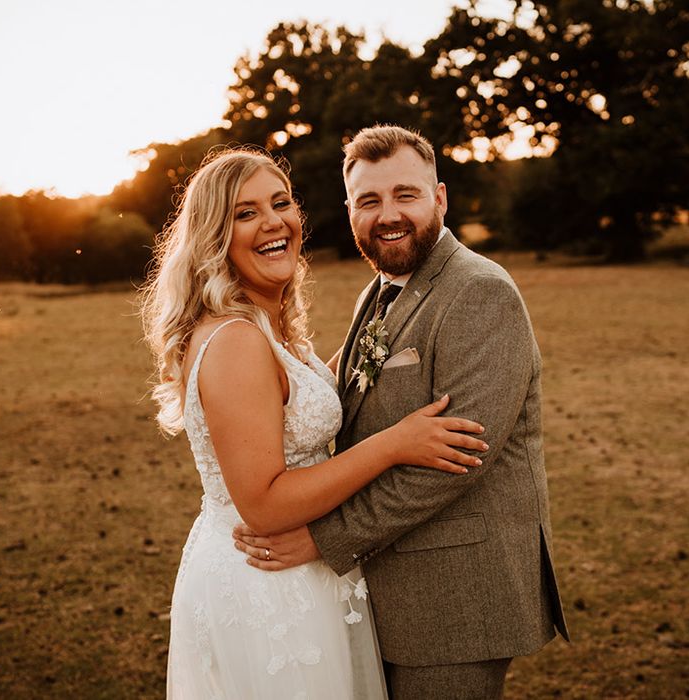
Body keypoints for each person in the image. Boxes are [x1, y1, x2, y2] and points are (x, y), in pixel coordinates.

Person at [140, 147, 489, 699]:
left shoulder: (265, 328)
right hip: (268, 583)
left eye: (280, 203)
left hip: (303, 576)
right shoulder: (235, 341)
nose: (273, 221)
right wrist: (395, 445)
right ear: (214, 236)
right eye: (245, 212)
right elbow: (265, 503)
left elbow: (318, 394)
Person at [234, 125, 570, 699]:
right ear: (349, 212)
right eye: (369, 201)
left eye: (405, 195)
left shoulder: (480, 292)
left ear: (439, 198)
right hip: (391, 588)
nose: (388, 215)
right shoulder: (381, 286)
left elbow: (456, 459)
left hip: (456, 601)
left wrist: (324, 538)